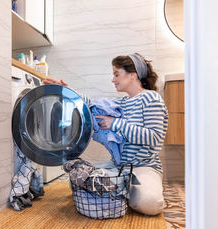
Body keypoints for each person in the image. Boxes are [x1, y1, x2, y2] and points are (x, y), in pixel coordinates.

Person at [43, 53, 168, 216]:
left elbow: (154, 137)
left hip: (143, 166)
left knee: (149, 204)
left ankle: (131, 188)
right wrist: (67, 92)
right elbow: (92, 105)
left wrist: (115, 123)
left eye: (117, 74)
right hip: (119, 166)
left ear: (133, 75)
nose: (113, 79)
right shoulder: (120, 103)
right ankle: (123, 187)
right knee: (79, 180)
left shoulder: (151, 98)